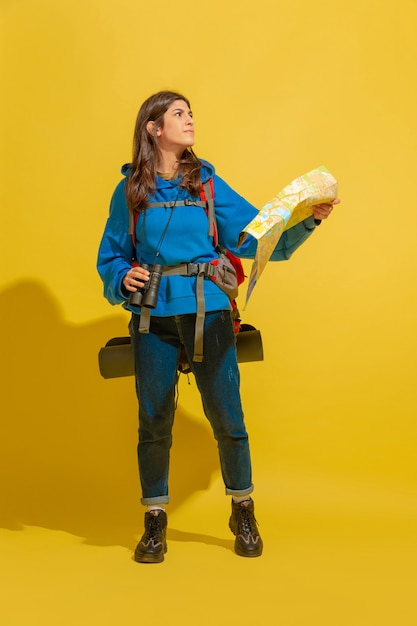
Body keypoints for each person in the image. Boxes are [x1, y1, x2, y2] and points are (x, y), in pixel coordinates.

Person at [97, 90, 337, 563]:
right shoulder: (130, 191)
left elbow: (259, 237)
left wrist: (308, 220)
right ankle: (154, 521)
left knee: (228, 418)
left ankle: (242, 508)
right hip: (152, 317)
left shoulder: (205, 184)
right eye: (179, 114)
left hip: (210, 313)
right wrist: (122, 276)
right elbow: (111, 256)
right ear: (154, 127)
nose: (190, 121)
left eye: (191, 114)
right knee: (153, 421)